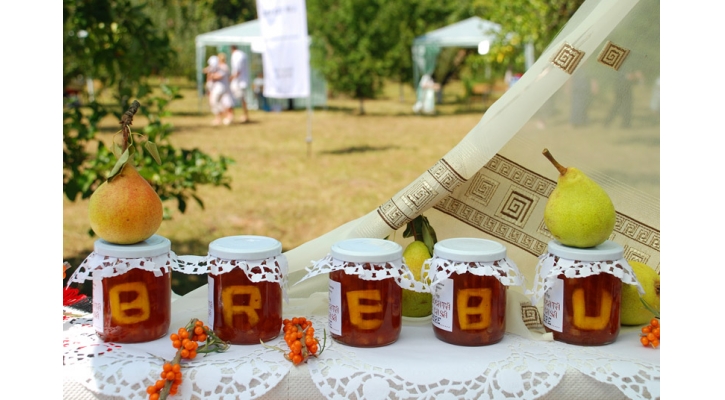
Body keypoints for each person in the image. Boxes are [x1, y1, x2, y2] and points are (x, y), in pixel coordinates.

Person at [208, 52, 235, 126]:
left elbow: (218, 76)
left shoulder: (224, 67)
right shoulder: (219, 67)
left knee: (216, 102)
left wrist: (212, 76)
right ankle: (221, 118)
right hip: (220, 88)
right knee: (219, 103)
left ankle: (225, 116)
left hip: (221, 88)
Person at [230, 45, 250, 123]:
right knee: (243, 99)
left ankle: (232, 115)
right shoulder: (243, 54)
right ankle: (245, 115)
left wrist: (230, 78)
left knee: (231, 98)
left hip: (238, 82)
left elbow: (237, 71)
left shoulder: (236, 56)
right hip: (243, 81)